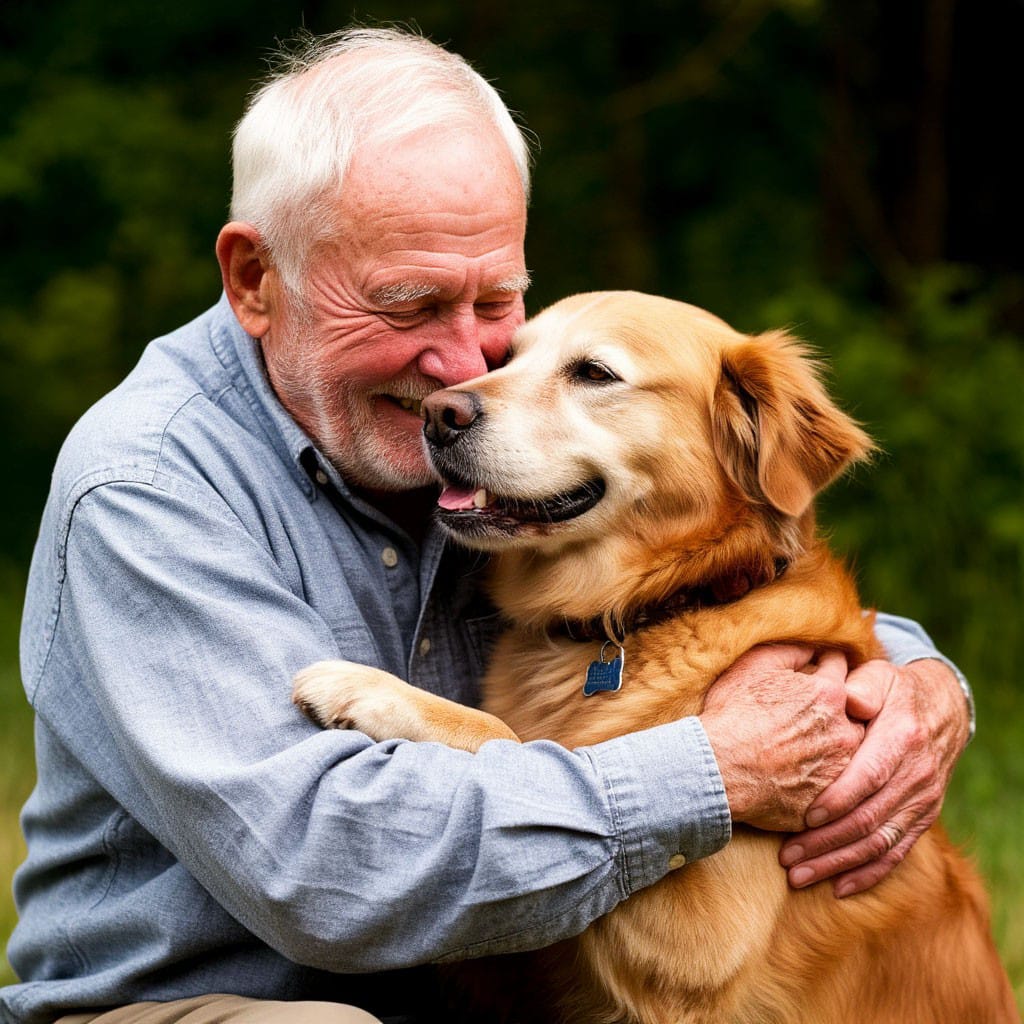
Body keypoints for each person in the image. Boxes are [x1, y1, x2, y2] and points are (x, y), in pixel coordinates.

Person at [2, 27, 973, 1024]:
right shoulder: (149, 484)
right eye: (409, 302)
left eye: (498, 299)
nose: (464, 368)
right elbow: (326, 876)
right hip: (216, 1002)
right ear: (255, 278)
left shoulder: (505, 475)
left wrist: (912, 682)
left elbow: (718, 569)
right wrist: (717, 771)